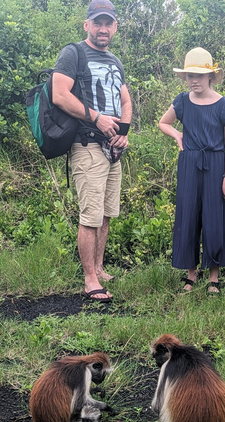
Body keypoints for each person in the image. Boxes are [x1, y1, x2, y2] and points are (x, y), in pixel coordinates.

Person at [52, 0, 132, 303]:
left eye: (107, 23)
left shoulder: (115, 60)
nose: (102, 29)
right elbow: (60, 94)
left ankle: (99, 267)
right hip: (86, 143)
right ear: (87, 25)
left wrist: (123, 133)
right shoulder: (73, 53)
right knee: (90, 215)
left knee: (107, 213)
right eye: (97, 23)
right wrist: (96, 117)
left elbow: (125, 100)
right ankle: (89, 279)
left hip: (113, 148)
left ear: (114, 27)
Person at [158, 48, 225, 294]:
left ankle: (214, 278)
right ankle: (191, 275)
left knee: (214, 219)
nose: (194, 80)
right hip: (189, 165)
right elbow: (163, 122)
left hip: (215, 164)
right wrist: (177, 135)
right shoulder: (182, 101)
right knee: (188, 217)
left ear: (211, 76)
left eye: (199, 75)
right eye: (190, 75)